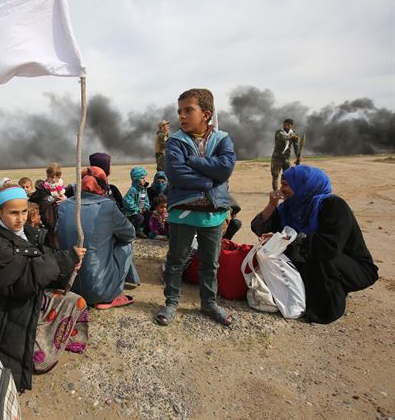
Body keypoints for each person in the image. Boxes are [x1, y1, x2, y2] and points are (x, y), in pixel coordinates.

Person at [0, 180, 88, 391]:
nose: (20, 218)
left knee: (75, 301)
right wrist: (62, 260)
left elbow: (44, 263)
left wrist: (68, 263)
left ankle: (60, 342)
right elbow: (23, 283)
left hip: (28, 301)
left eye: (24, 211)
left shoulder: (28, 233)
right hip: (6, 311)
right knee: (20, 366)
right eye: (14, 213)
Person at [251, 165, 378, 324]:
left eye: (286, 184)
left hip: (352, 266)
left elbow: (329, 244)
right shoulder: (289, 208)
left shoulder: (333, 205)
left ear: (303, 184)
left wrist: (287, 239)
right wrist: (271, 205)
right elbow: (258, 229)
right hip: (314, 258)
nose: (282, 189)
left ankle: (326, 309)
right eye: (282, 184)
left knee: (323, 257)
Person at [156, 88, 236, 327]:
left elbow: (225, 168)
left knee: (210, 263)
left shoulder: (222, 138)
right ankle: (171, 302)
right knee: (176, 261)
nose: (182, 116)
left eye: (188, 110)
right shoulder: (176, 141)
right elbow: (176, 174)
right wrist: (210, 182)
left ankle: (209, 303)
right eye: (180, 111)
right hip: (182, 213)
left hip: (213, 214)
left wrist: (194, 162)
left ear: (206, 114)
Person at [58, 166, 139, 307]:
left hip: (68, 286)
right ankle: (111, 294)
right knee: (127, 244)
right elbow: (129, 234)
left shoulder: (64, 205)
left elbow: (57, 233)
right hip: (97, 290)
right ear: (102, 184)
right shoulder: (107, 206)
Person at [29, 178, 60, 249]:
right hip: (51, 231)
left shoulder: (36, 197)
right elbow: (51, 222)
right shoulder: (51, 197)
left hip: (46, 230)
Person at [271, 118, 301, 191]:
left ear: (291, 126)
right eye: (285, 125)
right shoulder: (279, 132)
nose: (286, 126)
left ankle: (285, 189)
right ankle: (275, 190)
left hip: (286, 158)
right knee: (275, 175)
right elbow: (284, 138)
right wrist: (293, 136)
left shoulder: (293, 134)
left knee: (287, 175)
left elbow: (296, 146)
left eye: (288, 125)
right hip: (277, 158)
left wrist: (298, 157)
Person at [123, 166, 150, 238]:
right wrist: (137, 209)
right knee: (139, 218)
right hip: (131, 212)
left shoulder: (143, 190)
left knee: (148, 215)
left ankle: (143, 230)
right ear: (136, 179)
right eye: (142, 178)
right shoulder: (133, 190)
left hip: (140, 210)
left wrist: (146, 207)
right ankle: (134, 230)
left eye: (145, 178)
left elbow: (146, 200)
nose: (144, 180)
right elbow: (127, 201)